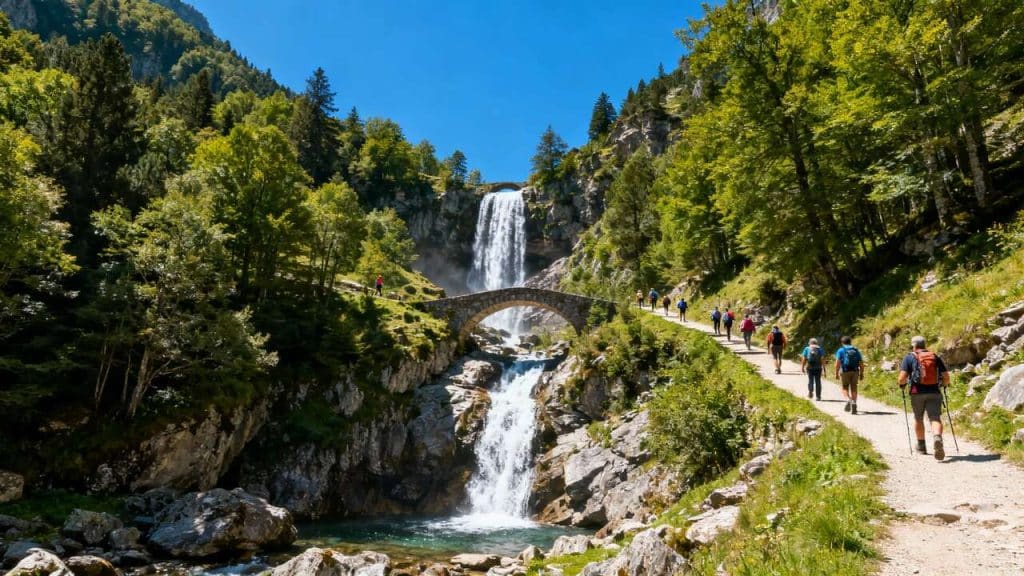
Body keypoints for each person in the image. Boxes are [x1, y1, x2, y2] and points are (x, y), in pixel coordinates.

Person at [898, 335, 950, 460]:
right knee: (934, 417)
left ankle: (921, 446)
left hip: (917, 392)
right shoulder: (934, 356)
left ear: (913, 345)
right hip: (934, 391)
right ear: (925, 345)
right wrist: (944, 384)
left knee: (918, 418)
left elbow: (901, 378)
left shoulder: (909, 357)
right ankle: (937, 437)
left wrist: (902, 385)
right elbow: (946, 376)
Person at [834, 335, 864, 414]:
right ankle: (854, 402)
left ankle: (848, 400)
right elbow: (861, 363)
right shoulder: (856, 350)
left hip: (845, 371)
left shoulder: (841, 350)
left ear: (842, 343)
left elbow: (837, 363)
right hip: (855, 371)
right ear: (850, 342)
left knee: (845, 387)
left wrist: (836, 373)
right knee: (854, 387)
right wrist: (861, 373)